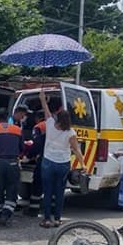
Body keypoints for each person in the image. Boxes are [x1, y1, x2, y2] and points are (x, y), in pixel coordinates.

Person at [38, 90, 86, 228]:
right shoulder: (70, 132)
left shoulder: (50, 123)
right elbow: (76, 150)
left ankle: (46, 219)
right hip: (63, 164)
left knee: (47, 191)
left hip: (48, 162)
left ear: (58, 118)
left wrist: (42, 99)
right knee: (59, 192)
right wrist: (83, 164)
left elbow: (46, 110)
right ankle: (58, 219)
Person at [0, 106, 25, 226]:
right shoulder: (17, 130)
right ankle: (6, 213)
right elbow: (22, 148)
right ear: (7, 118)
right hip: (13, 162)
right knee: (12, 188)